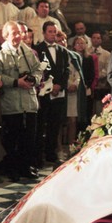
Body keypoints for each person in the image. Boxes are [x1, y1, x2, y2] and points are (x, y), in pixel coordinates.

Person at [0, 21, 43, 181]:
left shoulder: (28, 52)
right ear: (6, 35)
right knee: (12, 137)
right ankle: (13, 168)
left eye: (18, 33)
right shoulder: (0, 54)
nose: (17, 36)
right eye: (13, 33)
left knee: (28, 137)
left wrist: (33, 80)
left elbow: (38, 69)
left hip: (29, 102)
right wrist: (16, 82)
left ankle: (26, 167)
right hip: (11, 103)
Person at [34, 22, 70, 165]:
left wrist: (59, 85)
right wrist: (50, 86)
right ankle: (39, 156)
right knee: (42, 123)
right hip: (44, 92)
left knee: (55, 125)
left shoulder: (62, 50)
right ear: (44, 33)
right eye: (50, 31)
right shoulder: (38, 49)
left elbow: (66, 70)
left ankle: (51, 153)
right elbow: (40, 70)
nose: (53, 34)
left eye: (55, 31)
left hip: (59, 93)